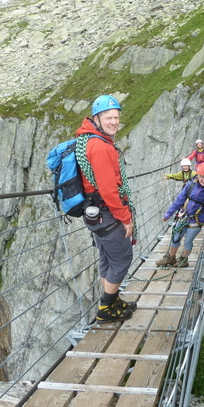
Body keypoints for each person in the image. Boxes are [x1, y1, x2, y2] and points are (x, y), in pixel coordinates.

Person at [75, 94, 137, 323]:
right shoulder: (101, 147)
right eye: (108, 117)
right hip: (107, 213)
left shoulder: (88, 140)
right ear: (97, 119)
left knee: (107, 258)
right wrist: (126, 218)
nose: (114, 122)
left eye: (116, 117)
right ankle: (106, 309)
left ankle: (112, 299)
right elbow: (109, 190)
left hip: (95, 214)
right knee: (122, 259)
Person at [156, 162, 204, 268]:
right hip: (183, 217)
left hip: (197, 220)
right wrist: (168, 213)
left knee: (188, 241)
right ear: (197, 175)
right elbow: (179, 200)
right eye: (202, 176)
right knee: (175, 237)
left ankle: (183, 259)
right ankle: (170, 257)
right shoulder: (190, 185)